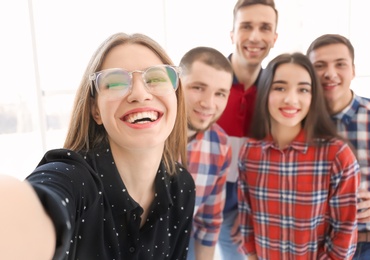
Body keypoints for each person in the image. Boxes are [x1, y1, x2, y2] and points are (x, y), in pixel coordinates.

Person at [0, 32, 196, 260]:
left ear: (176, 96)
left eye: (156, 79)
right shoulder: (74, 178)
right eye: (115, 82)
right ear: (96, 110)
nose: (140, 94)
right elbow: (29, 209)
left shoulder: (182, 186)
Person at [238, 52, 360, 259]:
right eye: (280, 87)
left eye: (303, 89)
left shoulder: (338, 155)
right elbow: (247, 220)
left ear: (313, 97)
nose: (291, 99)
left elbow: (344, 233)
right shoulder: (250, 153)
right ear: (265, 92)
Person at [216, 0, 278, 258]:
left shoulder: (276, 92)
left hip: (240, 212)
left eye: (265, 28)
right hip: (194, 205)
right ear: (232, 34)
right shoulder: (207, 82)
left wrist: (252, 210)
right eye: (246, 26)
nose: (255, 37)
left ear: (274, 37)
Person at [306, 34, 370, 260]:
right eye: (319, 66)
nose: (330, 73)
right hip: (314, 247)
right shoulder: (295, 121)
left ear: (353, 70)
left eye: (340, 64)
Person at [179, 47, 233, 260]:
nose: (208, 103)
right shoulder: (147, 130)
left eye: (220, 93)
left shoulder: (220, 146)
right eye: (198, 88)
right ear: (176, 83)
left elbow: (208, 225)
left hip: (183, 244)